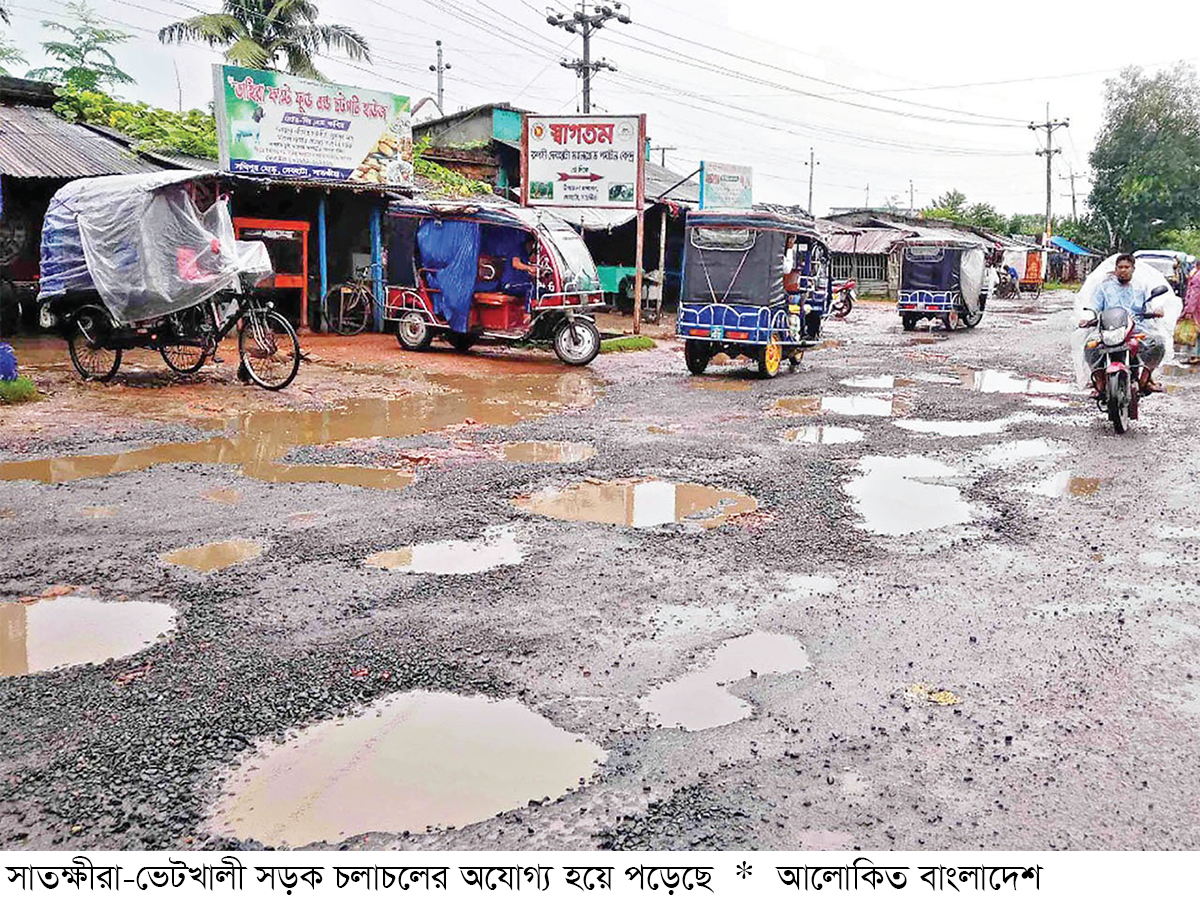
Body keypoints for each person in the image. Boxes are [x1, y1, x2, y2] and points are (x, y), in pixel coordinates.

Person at [1081, 253, 1166, 394]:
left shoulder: (1141, 286)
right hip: (1108, 329)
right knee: (1090, 346)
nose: (1123, 270)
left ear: (1133, 269)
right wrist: (1087, 317)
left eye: (1127, 267)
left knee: (1158, 343)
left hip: (1137, 329)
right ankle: (1099, 382)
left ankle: (1145, 379)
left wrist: (1157, 308)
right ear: (1115, 269)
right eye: (1120, 267)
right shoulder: (1104, 286)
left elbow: (1153, 301)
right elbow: (1093, 306)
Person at [1182, 259, 1200, 363]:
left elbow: (1194, 294)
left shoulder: (1197, 277)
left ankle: (1194, 355)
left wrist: (1189, 310)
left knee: (1193, 331)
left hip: (1196, 309)